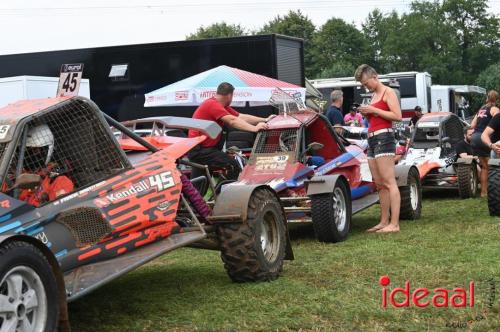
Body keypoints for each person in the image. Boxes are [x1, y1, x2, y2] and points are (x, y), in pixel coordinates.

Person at [355, 64, 402, 233]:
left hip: (384, 137)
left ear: (375, 77)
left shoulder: (388, 92)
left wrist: (373, 109)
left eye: (366, 83)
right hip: (372, 138)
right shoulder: (374, 95)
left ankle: (394, 224)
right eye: (363, 84)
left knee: (389, 182)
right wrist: (368, 113)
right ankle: (384, 221)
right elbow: (378, 115)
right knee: (380, 184)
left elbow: (397, 116)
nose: (365, 86)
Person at [188, 82, 268, 180]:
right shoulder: (212, 104)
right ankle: (223, 193)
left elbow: (240, 117)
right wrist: (255, 128)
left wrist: (264, 119)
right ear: (230, 95)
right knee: (233, 166)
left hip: (203, 150)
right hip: (200, 150)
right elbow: (232, 121)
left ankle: (215, 193)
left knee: (199, 185)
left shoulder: (219, 106)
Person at [18, 125, 74, 207]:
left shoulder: (59, 180)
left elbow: (55, 209)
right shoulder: (16, 173)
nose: (32, 154)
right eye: (28, 150)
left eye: (36, 150)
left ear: (47, 149)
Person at [470, 90, 499, 197]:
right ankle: (493, 192)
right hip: (485, 138)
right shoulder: (494, 109)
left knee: (484, 167)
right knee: (493, 167)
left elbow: (472, 125)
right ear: (496, 99)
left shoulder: (481, 109)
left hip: (475, 138)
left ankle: (483, 193)